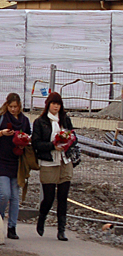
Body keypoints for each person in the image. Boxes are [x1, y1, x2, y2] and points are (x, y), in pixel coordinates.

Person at [0, 92, 31, 240]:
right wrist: (2, 133)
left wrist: (24, 141)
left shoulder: (24, 121)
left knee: (15, 197)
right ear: (7, 105)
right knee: (5, 194)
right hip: (1, 161)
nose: (13, 109)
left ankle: (12, 227)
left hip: (16, 161)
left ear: (19, 107)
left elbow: (29, 137)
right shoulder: (0, 118)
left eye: (15, 107)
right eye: (11, 106)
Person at [32, 92, 74, 242]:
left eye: (58, 104)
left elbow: (73, 137)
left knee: (63, 197)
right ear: (48, 105)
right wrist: (52, 146)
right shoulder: (40, 122)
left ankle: (61, 230)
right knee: (49, 197)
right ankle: (42, 218)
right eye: (53, 103)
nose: (56, 106)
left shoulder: (65, 120)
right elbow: (36, 143)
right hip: (49, 162)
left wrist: (68, 142)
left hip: (64, 161)